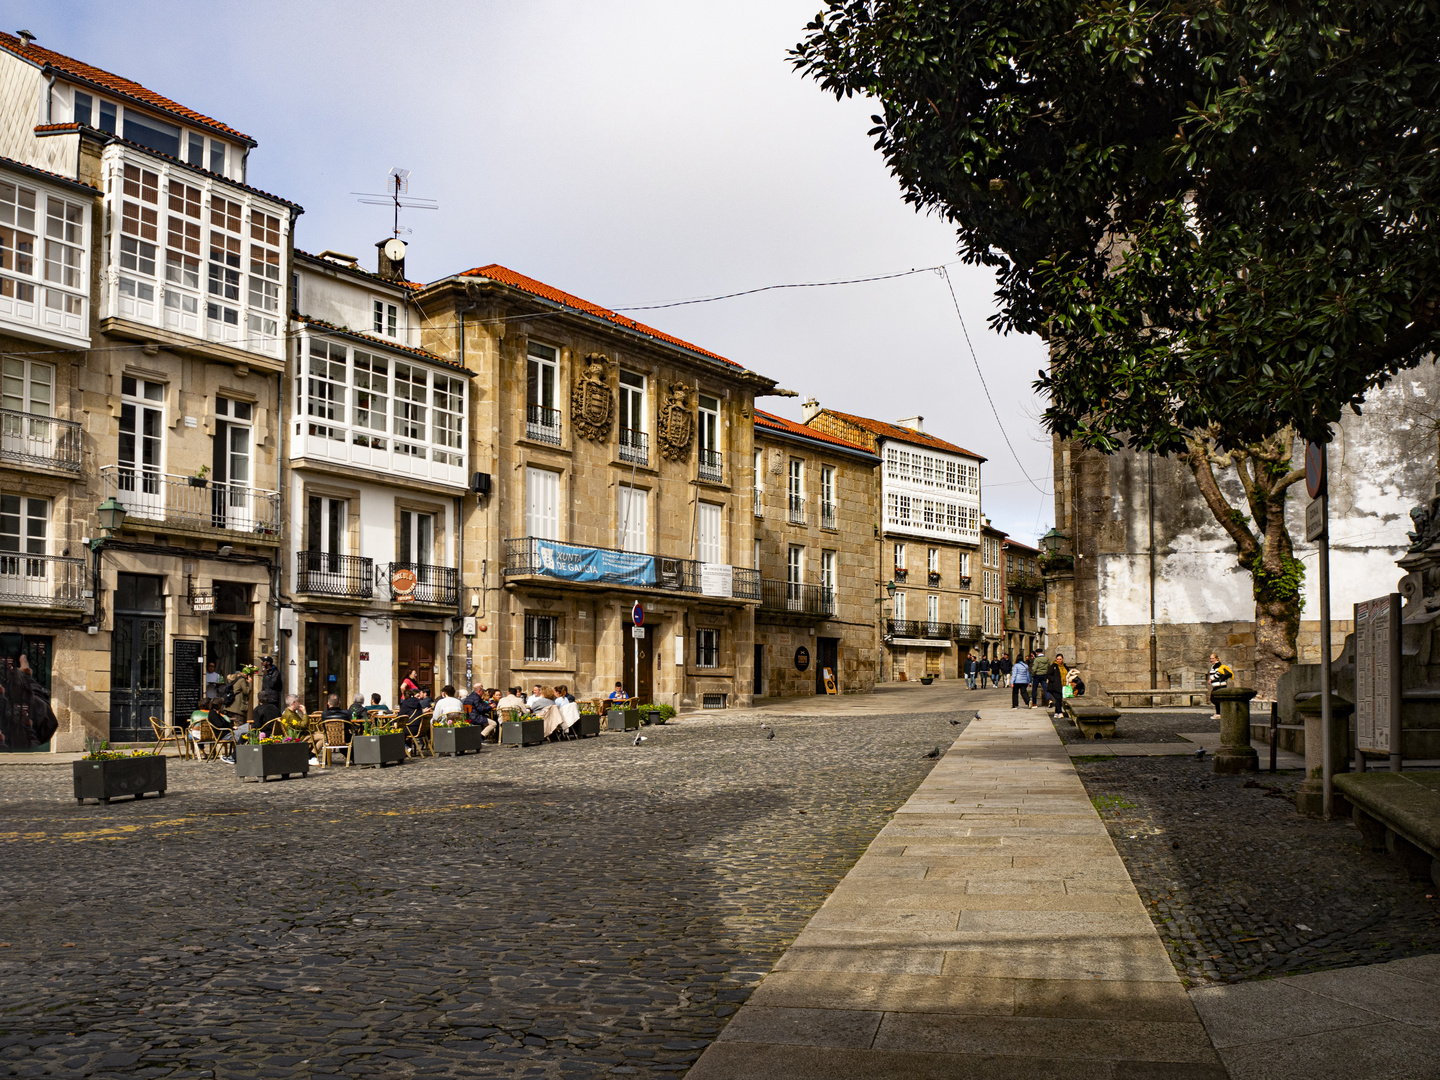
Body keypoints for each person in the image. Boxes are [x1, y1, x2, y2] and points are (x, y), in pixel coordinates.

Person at [1208, 653, 1233, 720]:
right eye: (1210, 658)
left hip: (1219, 685)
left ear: (1216, 658)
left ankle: (1219, 713)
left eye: (1212, 658)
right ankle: (1220, 713)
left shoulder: (1217, 665)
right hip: (1217, 685)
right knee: (1215, 699)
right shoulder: (1214, 665)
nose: (1211, 660)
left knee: (1215, 699)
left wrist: (1212, 679)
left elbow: (1219, 673)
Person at [1045, 654, 1065, 719]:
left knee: (1058, 699)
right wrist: (1053, 679)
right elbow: (1048, 674)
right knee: (1058, 698)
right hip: (1054, 686)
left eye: (1060, 659)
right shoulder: (1053, 666)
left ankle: (1056, 713)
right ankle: (1060, 712)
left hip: (1062, 685)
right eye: (1057, 659)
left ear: (1062, 659)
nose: (1059, 660)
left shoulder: (1065, 666)